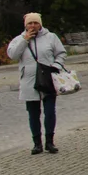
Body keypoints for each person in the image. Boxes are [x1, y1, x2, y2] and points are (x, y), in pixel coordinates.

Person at [6, 13, 67, 155]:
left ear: (40, 24)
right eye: (30, 23)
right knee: (33, 114)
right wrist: (24, 40)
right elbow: (12, 55)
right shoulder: (18, 39)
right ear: (25, 25)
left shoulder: (51, 37)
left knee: (50, 111)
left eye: (35, 23)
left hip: (48, 79)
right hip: (29, 81)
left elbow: (61, 53)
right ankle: (37, 143)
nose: (33, 26)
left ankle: (50, 142)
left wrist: (56, 66)